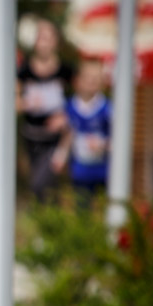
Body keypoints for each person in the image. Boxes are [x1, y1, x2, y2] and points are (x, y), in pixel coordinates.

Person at [16, 18, 73, 203]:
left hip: (56, 139)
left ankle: (49, 223)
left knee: (41, 183)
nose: (44, 43)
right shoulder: (23, 71)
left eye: (48, 38)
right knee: (43, 187)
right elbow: (13, 102)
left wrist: (65, 117)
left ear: (56, 41)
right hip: (32, 137)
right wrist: (27, 103)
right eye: (41, 38)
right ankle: (47, 223)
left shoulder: (66, 71)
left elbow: (80, 101)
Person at [57, 59, 112, 208]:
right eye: (88, 77)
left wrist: (102, 144)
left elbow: (116, 141)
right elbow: (68, 135)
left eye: (96, 78)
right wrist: (60, 156)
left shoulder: (107, 109)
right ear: (78, 80)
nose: (92, 82)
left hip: (104, 171)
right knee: (82, 208)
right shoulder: (70, 107)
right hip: (80, 171)